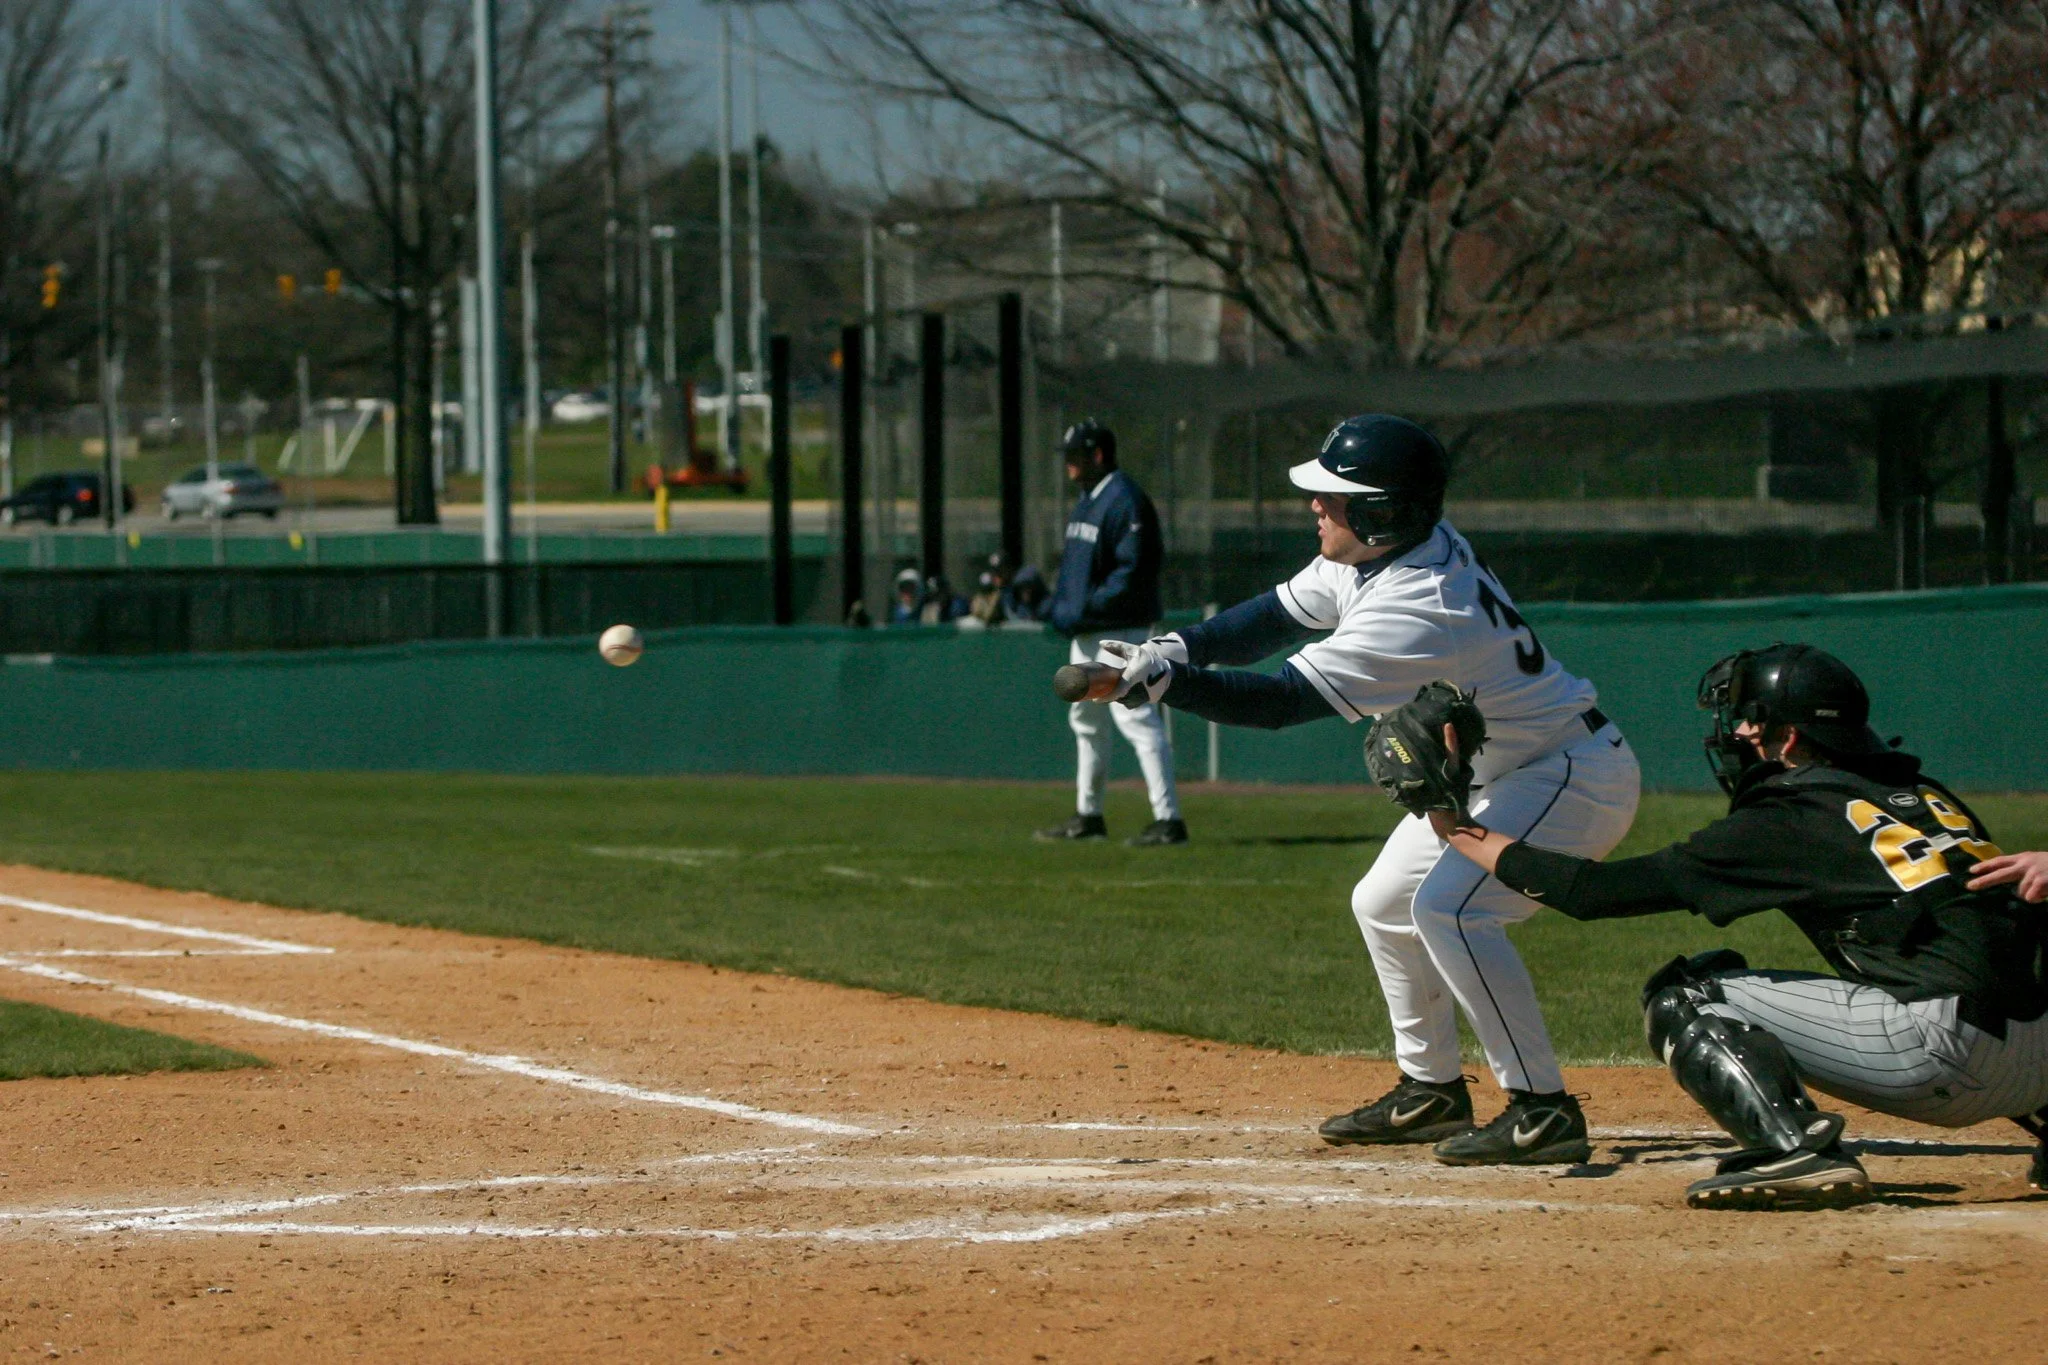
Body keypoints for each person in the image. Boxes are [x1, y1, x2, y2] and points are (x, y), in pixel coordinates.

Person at [1097, 413, 1640, 1164]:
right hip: (1506, 772)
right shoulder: (1380, 555)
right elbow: (1273, 617)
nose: (1316, 505)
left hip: (1568, 774)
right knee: (1383, 903)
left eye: (1335, 496)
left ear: (1383, 513)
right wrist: (1175, 648)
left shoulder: (1420, 605)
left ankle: (1543, 1106)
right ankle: (1433, 1090)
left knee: (1451, 907)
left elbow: (1284, 700)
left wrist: (1168, 686)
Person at [1431, 643, 2048, 1208]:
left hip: (1946, 1058)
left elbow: (1595, 893)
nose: (1740, 733)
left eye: (1752, 720)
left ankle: (1796, 1151)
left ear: (1788, 737)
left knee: (1689, 996)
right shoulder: (1923, 794)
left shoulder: (1791, 814)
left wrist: (1458, 825)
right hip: (2038, 1054)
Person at [1037, 419, 1186, 847]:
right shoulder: (1089, 501)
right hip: (1087, 630)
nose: (1068, 466)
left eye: (1075, 457)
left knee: (1138, 718)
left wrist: (1085, 607)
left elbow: (1133, 571)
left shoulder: (1124, 500)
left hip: (1119, 633)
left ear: (1097, 455)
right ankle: (1089, 815)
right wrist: (1065, 608)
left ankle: (1169, 820)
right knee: (1085, 720)